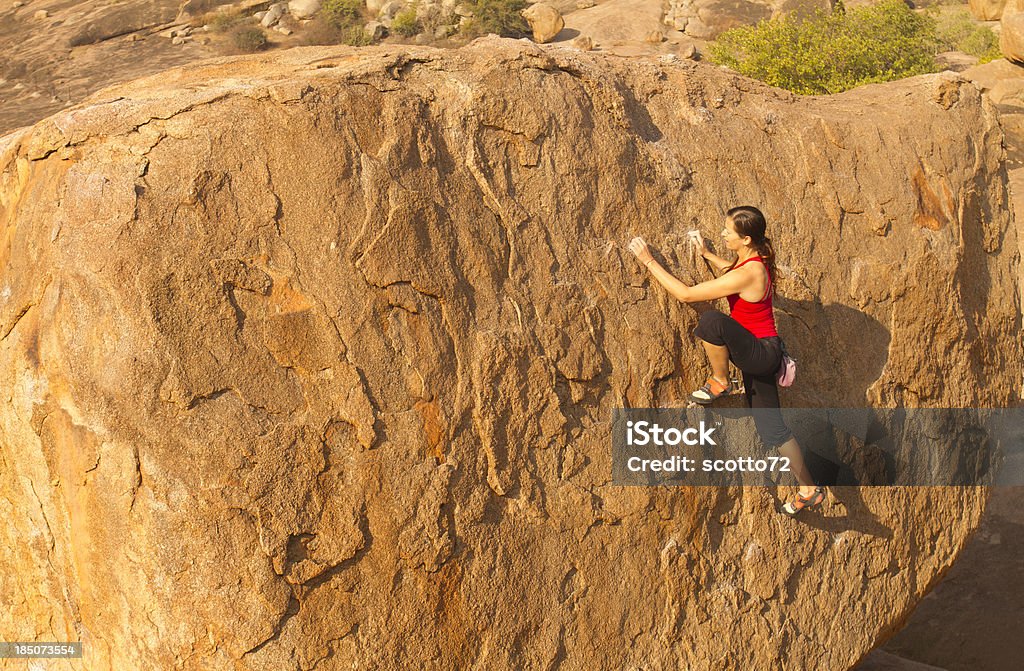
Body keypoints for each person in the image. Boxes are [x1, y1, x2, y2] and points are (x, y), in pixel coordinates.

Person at [627, 206, 825, 516]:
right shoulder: (754, 260)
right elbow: (736, 274)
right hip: (763, 352)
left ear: (745, 238)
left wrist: (648, 260)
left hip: (760, 354)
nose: (722, 234)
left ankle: (720, 381)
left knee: (711, 321)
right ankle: (809, 489)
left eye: (727, 231)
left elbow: (687, 295)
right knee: (773, 430)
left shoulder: (750, 270)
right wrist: (709, 256)